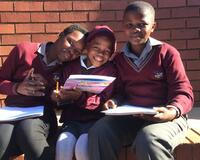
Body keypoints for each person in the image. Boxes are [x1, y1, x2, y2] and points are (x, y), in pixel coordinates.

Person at [88, 1, 194, 160]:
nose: (135, 30)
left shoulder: (167, 53)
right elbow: (119, 91)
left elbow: (183, 91)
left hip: (166, 118)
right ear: (123, 26)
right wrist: (114, 101)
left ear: (153, 26)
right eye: (129, 25)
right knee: (99, 131)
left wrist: (172, 111)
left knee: (149, 138)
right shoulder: (119, 59)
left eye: (142, 24)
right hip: (133, 117)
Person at [0, 24, 88, 160]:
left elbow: (61, 102)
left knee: (28, 132)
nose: (71, 51)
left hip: (42, 113)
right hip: (12, 111)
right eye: (70, 42)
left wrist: (54, 95)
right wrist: (17, 87)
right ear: (60, 34)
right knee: (2, 140)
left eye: (77, 51)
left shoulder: (68, 68)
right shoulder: (23, 50)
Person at [52, 25, 117, 160]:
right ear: (87, 47)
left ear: (111, 54)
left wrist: (81, 97)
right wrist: (59, 97)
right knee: (63, 144)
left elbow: (105, 100)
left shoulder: (110, 70)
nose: (100, 54)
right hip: (72, 119)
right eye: (96, 48)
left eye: (107, 51)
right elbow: (60, 94)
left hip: (96, 120)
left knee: (83, 147)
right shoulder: (71, 66)